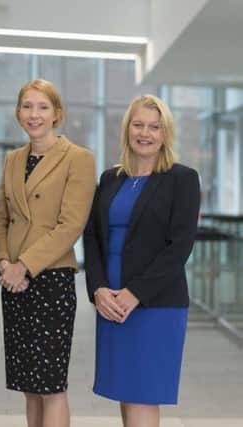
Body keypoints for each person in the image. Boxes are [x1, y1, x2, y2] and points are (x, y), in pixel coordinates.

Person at [83, 94, 200, 427]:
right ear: (127, 129)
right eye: (138, 125)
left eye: (154, 126)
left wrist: (135, 293)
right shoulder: (110, 179)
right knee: (126, 391)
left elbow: (180, 246)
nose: (145, 133)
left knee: (142, 393)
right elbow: (92, 238)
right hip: (111, 301)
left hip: (155, 304)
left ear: (165, 134)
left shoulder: (182, 179)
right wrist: (99, 288)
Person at [0, 79, 96, 427]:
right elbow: (1, 217)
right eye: (27, 106)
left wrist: (25, 266)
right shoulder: (13, 159)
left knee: (50, 384)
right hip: (13, 283)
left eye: (42, 107)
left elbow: (71, 224)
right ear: (19, 112)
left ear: (57, 114)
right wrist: (4, 263)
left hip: (51, 280)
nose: (34, 114)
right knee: (29, 385)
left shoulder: (78, 158)